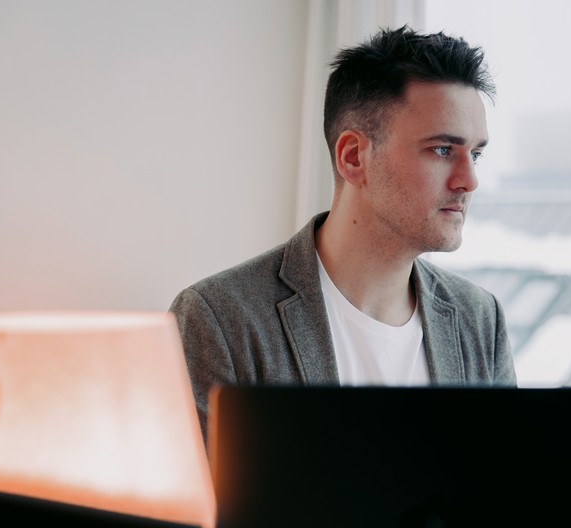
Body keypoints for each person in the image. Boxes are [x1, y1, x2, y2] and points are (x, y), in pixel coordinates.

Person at [169, 25, 517, 446]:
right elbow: (192, 507)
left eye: (475, 153)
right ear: (353, 157)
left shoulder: (480, 319)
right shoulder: (219, 319)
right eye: (443, 150)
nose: (470, 180)